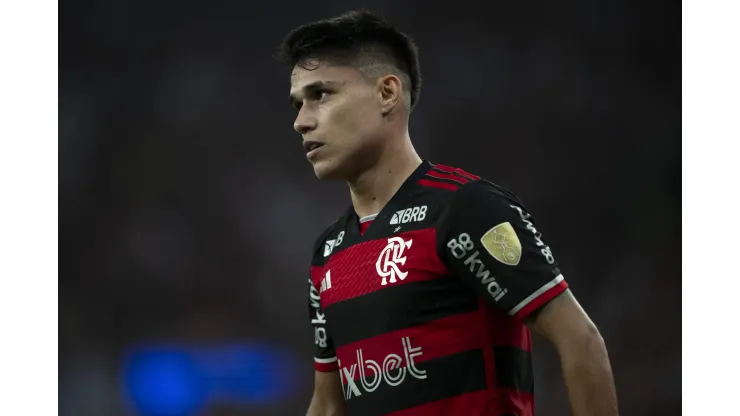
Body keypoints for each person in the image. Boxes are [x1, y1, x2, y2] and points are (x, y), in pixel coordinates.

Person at [276, 9, 618, 416]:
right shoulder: (328, 254)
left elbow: (580, 341)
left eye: (321, 94)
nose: (301, 121)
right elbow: (328, 405)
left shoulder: (464, 208)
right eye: (298, 104)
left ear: (388, 93)